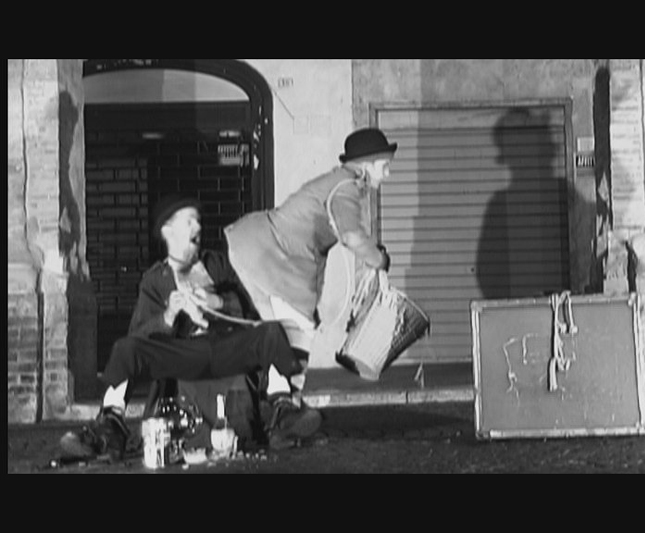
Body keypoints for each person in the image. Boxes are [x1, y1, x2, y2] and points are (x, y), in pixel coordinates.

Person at [61, 195, 322, 461]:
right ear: (168, 230)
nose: (197, 227)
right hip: (182, 354)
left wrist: (218, 301)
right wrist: (169, 315)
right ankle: (111, 426)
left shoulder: (219, 265)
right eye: (188, 221)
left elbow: (251, 309)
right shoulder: (155, 280)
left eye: (198, 221)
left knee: (270, 332)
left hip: (225, 348)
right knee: (125, 349)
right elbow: (140, 335)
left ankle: (284, 410)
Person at [223, 127, 396, 398]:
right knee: (296, 332)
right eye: (384, 166)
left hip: (258, 248)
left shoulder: (339, 182)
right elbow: (352, 236)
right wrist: (380, 260)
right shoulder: (345, 187)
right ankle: (283, 403)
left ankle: (277, 398)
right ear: (366, 165)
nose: (388, 173)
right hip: (272, 257)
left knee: (280, 333)